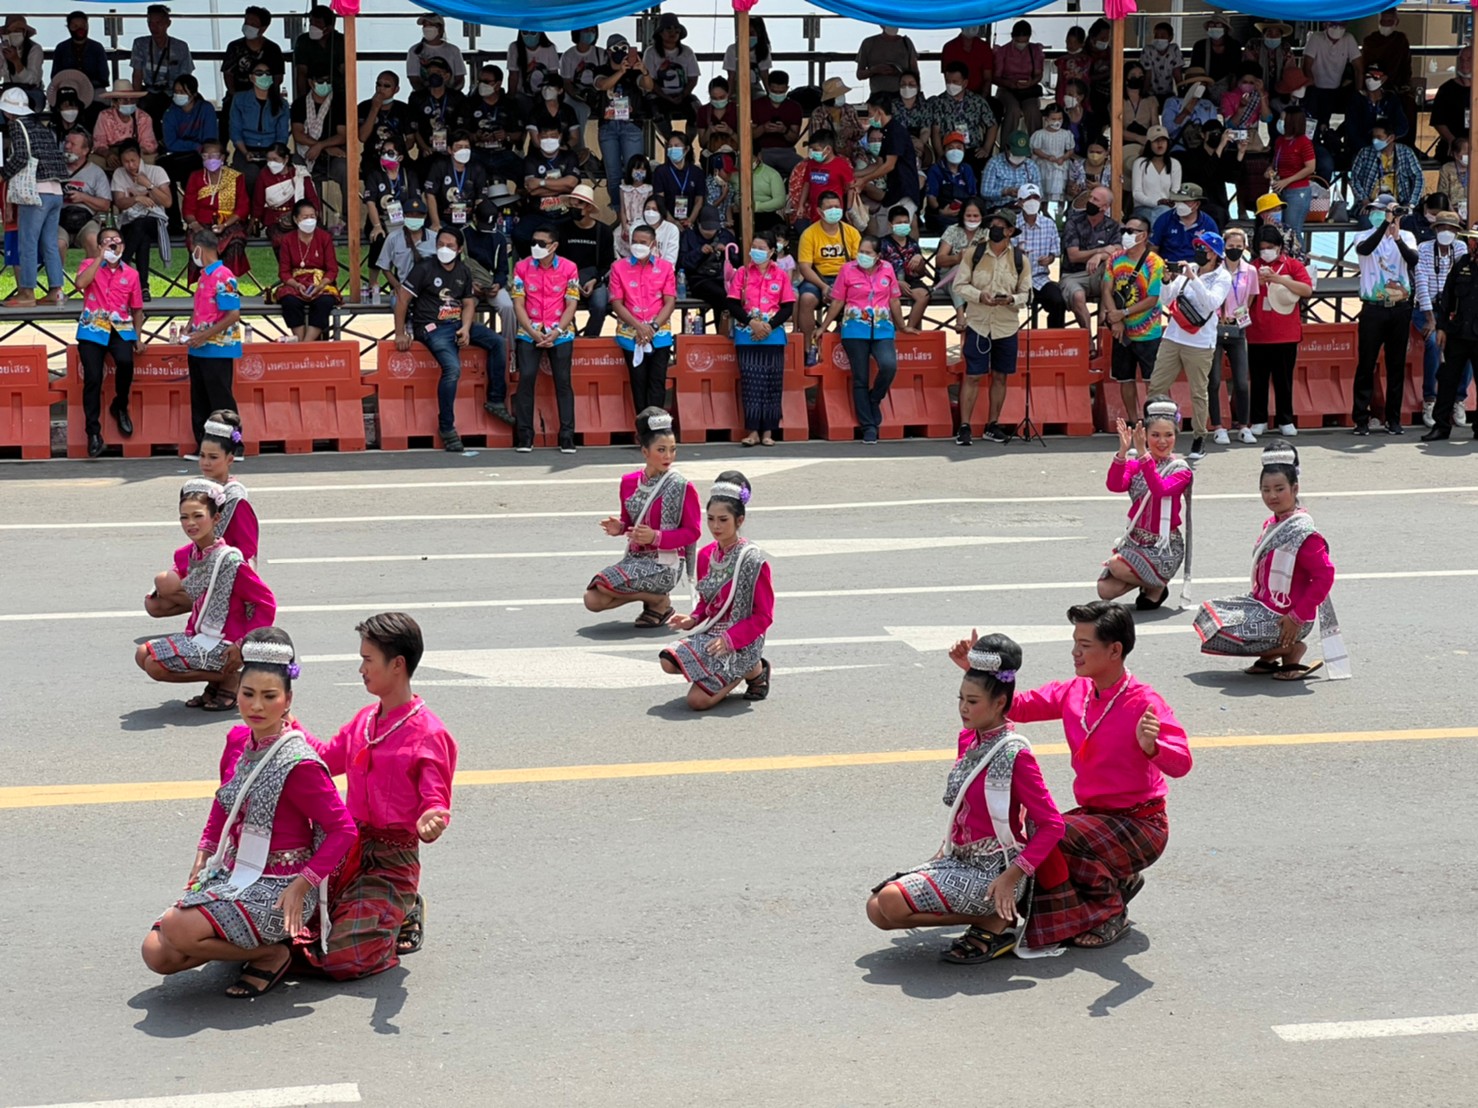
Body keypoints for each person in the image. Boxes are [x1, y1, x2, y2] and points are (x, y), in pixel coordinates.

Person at [947, 602, 1191, 950]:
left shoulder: (1144, 702)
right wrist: (978, 674)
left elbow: (1182, 763)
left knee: (1051, 834)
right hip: (1097, 819)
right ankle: (1117, 878)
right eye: (1075, 642)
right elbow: (1014, 705)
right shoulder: (1075, 692)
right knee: (1042, 831)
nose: (1075, 652)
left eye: (1085, 645)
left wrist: (1153, 748)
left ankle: (1109, 911)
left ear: (1114, 650)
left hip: (1142, 824)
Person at [141, 627, 354, 997]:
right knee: (156, 955)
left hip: (279, 885)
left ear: (288, 700)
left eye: (269, 696)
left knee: (178, 928)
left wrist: (303, 882)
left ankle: (270, 954)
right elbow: (224, 801)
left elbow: (344, 830)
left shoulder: (298, 762)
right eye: (248, 694)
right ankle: (237, 942)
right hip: (232, 871)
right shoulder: (237, 741)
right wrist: (204, 851)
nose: (256, 706)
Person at [868, 631, 1069, 963]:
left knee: (892, 901)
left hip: (996, 872)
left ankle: (994, 918)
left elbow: (1052, 825)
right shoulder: (969, 739)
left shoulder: (1014, 754)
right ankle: (986, 919)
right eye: (960, 699)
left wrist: (1012, 876)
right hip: (960, 859)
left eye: (972, 702)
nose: (963, 708)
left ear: (1000, 703)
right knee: (877, 909)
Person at [296, 613, 457, 979]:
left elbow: (436, 802)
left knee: (342, 957)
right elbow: (323, 758)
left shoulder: (430, 734)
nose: (361, 669)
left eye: (368, 660)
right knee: (289, 924)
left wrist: (433, 819)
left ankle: (404, 907)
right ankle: (381, 915)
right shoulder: (365, 720)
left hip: (391, 861)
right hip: (346, 848)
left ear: (397, 664)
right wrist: (286, 721)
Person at [1196, 443, 1345, 681]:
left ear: (1295, 488)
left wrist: (1297, 616)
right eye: (1265, 489)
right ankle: (1270, 656)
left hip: (1290, 615)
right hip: (1266, 606)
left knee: (1225, 632)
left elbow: (1324, 575)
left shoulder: (1302, 532)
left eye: (1279, 489)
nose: (1272, 496)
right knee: (1208, 616)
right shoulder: (1273, 524)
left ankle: (1291, 649)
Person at [135, 481, 277, 711]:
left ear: (216, 519)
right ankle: (216, 682)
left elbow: (266, 602)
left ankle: (230, 678)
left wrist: (244, 645)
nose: (190, 523)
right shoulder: (190, 554)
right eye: (184, 517)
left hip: (228, 641)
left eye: (198, 516)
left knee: (154, 666)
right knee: (142, 655)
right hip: (202, 635)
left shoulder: (229, 561)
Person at [660, 473, 773, 708]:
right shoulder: (705, 555)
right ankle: (726, 670)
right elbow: (706, 601)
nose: (715, 526)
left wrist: (731, 639)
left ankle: (753, 669)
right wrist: (693, 619)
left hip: (743, 638)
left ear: (739, 520)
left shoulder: (752, 560)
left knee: (697, 701)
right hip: (713, 633)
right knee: (668, 661)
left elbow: (763, 616)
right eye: (710, 519)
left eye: (723, 520)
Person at [582, 408, 701, 625]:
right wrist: (620, 527)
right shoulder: (629, 482)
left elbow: (693, 532)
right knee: (592, 600)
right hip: (635, 559)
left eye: (673, 450)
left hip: (666, 564)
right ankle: (656, 602)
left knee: (603, 584)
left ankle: (658, 601)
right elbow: (630, 522)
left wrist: (656, 537)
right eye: (661, 449)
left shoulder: (681, 486)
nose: (668, 456)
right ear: (645, 452)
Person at [394, 228, 505, 453]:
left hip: (456, 324)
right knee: (452, 368)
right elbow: (402, 300)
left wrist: (465, 328)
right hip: (431, 327)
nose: (444, 249)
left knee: (498, 342)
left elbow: (468, 303)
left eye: (450, 246)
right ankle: (446, 427)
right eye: (441, 245)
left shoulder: (463, 270)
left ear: (460, 249)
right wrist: (400, 332)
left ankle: (496, 400)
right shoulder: (424, 267)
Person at [1148, 229, 1233, 459]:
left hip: (1200, 342)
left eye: (1203, 248)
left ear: (1214, 254)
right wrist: (1167, 281)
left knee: (1198, 392)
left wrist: (1193, 278)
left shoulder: (1222, 277)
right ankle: (1152, 434)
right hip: (1174, 337)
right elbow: (1167, 299)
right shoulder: (1190, 270)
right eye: (1197, 246)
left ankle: (1199, 437)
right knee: (1156, 386)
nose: (1199, 251)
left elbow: (1211, 302)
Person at [1099, 400, 1192, 608]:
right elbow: (1115, 485)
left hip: (1164, 546)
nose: (1162, 441)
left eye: (1168, 435)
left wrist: (1143, 455)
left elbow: (1159, 490)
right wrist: (1122, 452)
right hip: (1136, 540)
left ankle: (1157, 584)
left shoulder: (1180, 470)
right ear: (1145, 436)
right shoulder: (1135, 464)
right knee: (1104, 590)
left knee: (1116, 565)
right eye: (1155, 435)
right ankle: (1151, 585)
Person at [953, 208, 1030, 447]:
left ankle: (992, 424)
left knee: (1000, 376)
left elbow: (1027, 293)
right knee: (973, 375)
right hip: (978, 322)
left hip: (1006, 325)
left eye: (1000, 225)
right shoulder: (973, 254)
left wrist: (1011, 299)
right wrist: (979, 295)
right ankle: (964, 426)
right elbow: (959, 285)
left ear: (1009, 231)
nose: (994, 229)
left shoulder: (1020, 259)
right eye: (992, 225)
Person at [823, 234, 908, 444]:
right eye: (861, 251)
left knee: (889, 366)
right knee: (860, 378)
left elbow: (895, 301)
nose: (863, 256)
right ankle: (868, 426)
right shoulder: (847, 270)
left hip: (882, 328)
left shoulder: (887, 269)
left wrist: (902, 326)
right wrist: (823, 326)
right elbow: (837, 301)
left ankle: (874, 398)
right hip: (854, 330)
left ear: (878, 256)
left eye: (868, 253)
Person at [75, 228, 145, 457]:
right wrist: (99, 257)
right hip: (93, 327)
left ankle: (120, 405)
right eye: (107, 242)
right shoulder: (88, 264)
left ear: (123, 246)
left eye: (116, 242)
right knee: (93, 377)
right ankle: (93, 432)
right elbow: (80, 284)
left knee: (125, 362)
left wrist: (138, 337)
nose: (112, 245)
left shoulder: (131, 274)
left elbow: (137, 310)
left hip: (120, 328)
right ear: (99, 245)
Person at [1352, 196, 1418, 435]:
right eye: (1377, 211)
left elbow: (1413, 260)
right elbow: (1365, 249)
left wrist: (1397, 234)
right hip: (1373, 307)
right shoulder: (1364, 235)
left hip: (1399, 308)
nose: (1380, 214)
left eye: (1385, 211)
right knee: (1366, 364)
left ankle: (1394, 418)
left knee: (1396, 365)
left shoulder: (1408, 236)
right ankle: (1361, 418)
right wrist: (1384, 225)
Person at [511, 225, 579, 453]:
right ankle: (524, 435)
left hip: (559, 331)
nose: (536, 247)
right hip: (529, 331)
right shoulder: (521, 267)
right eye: (533, 242)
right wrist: (531, 331)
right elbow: (518, 303)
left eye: (541, 243)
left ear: (554, 246)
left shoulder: (570, 268)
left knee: (563, 381)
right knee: (526, 378)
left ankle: (567, 436)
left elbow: (572, 304)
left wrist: (558, 331)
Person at [727, 230, 795, 448]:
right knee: (751, 384)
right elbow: (733, 304)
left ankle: (768, 431)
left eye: (762, 248)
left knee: (772, 384)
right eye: (754, 247)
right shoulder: (742, 273)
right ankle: (753, 431)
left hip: (773, 337)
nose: (756, 252)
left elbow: (787, 307)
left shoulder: (781, 275)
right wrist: (752, 323)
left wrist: (768, 327)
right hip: (747, 336)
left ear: (772, 252)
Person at [1244, 224, 1312, 439]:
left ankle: (1285, 419)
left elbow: (1307, 290)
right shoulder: (1251, 269)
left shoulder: (1292, 265)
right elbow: (1243, 303)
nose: (1266, 251)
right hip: (1257, 334)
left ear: (1280, 247)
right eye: (1262, 248)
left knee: (1284, 380)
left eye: (1270, 247)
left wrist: (1278, 279)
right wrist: (1257, 283)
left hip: (1286, 334)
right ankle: (1259, 419)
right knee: (1258, 379)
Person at [1101, 214, 1166, 416]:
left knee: (1151, 382)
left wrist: (1123, 313)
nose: (1125, 235)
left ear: (1143, 235)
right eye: (1123, 231)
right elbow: (1106, 289)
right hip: (1122, 332)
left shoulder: (1155, 263)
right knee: (1125, 379)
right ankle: (1132, 420)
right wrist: (1115, 317)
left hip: (1148, 332)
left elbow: (1153, 298)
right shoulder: (1115, 259)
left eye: (1130, 231)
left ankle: (1152, 420)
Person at [183, 231, 243, 450]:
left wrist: (204, 335)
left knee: (220, 400)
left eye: (193, 250)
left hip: (218, 348)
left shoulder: (224, 276)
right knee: (200, 400)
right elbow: (200, 307)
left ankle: (233, 444)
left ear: (200, 249)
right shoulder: (204, 276)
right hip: (198, 347)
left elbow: (233, 315)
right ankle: (205, 445)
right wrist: (190, 327)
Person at [608, 225, 677, 414]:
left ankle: (657, 425)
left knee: (657, 381)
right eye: (635, 242)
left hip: (659, 333)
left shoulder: (665, 268)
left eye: (643, 242)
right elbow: (616, 303)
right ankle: (643, 428)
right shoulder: (618, 267)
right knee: (638, 382)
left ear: (653, 244)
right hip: (631, 334)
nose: (638, 246)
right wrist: (639, 327)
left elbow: (669, 302)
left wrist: (652, 327)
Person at [1413, 211, 1470, 430]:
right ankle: (1430, 399)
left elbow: (1460, 285)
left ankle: (1459, 400)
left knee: (1466, 344)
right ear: (1435, 230)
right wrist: (1431, 319)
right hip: (1428, 310)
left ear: (1457, 232)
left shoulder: (1461, 249)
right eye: (1441, 228)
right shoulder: (1424, 249)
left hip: (1452, 310)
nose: (1445, 232)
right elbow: (1422, 284)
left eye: (1450, 229)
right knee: (1433, 342)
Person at [1424, 227, 1478, 442]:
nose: (1472, 244)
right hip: (1457, 334)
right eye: (1471, 241)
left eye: (1475, 241)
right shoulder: (1462, 264)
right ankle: (1441, 425)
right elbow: (1446, 298)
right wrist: (1442, 327)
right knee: (1446, 380)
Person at [796, 191, 862, 365]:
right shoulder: (809, 234)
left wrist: (841, 286)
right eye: (829, 207)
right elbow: (804, 267)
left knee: (858, 298)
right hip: (818, 278)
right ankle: (809, 347)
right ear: (819, 210)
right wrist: (824, 287)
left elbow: (860, 264)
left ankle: (842, 340)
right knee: (806, 298)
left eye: (837, 207)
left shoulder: (852, 233)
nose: (834, 210)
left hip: (846, 278)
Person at [1208, 227, 1259, 446]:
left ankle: (1244, 426)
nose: (1235, 251)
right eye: (1230, 247)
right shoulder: (1215, 270)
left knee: (1241, 380)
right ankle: (1218, 426)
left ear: (1245, 248)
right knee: (1215, 379)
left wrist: (1239, 315)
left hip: (1238, 328)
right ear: (1223, 247)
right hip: (1216, 327)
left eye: (1239, 247)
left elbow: (1251, 298)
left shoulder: (1250, 271)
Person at [109, 139, 170, 305]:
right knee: (141, 237)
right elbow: (119, 202)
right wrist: (137, 199)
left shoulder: (156, 171)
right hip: (130, 222)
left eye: (133, 160)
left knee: (141, 226)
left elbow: (167, 202)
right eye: (125, 161)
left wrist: (149, 185)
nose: (130, 165)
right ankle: (143, 287)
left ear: (140, 157)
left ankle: (120, 264)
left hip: (154, 221)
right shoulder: (119, 174)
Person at [593, 35, 653, 204]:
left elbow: (648, 86)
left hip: (631, 126)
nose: (620, 52)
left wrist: (644, 70)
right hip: (608, 126)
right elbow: (602, 85)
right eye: (616, 49)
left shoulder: (634, 73)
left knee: (635, 172)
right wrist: (621, 71)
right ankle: (620, 215)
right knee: (613, 176)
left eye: (624, 49)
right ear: (607, 52)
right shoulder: (600, 70)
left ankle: (637, 211)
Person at [271, 199, 338, 343]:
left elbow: (332, 269)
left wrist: (320, 286)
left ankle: (305, 343)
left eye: (312, 216)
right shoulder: (288, 240)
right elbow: (284, 271)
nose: (310, 220)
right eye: (305, 217)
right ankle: (300, 340)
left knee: (325, 302)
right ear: (296, 219)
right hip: (297, 282)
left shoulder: (324, 238)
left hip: (319, 283)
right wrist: (296, 285)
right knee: (289, 301)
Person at [183, 141, 250, 284]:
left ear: (223, 158)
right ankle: (205, 283)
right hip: (201, 224)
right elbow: (188, 209)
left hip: (229, 223)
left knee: (235, 241)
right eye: (205, 156)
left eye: (214, 156)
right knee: (200, 242)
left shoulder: (236, 177)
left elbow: (242, 207)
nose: (209, 160)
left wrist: (225, 225)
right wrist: (197, 227)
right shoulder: (196, 177)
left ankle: (228, 283)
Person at [291, 69, 348, 231]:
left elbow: (343, 136)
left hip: (330, 157)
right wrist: (323, 148)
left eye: (328, 81)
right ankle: (311, 221)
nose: (324, 85)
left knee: (345, 169)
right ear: (311, 82)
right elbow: (298, 134)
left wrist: (321, 146)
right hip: (307, 154)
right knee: (298, 169)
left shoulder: (338, 103)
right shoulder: (300, 104)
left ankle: (348, 219)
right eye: (320, 81)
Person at [558, 183, 615, 336]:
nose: (575, 207)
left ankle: (590, 338)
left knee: (600, 304)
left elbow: (607, 264)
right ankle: (571, 336)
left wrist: (595, 280)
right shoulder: (562, 229)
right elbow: (557, 261)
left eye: (580, 203)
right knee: (561, 303)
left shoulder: (603, 232)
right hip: (566, 280)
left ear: (589, 207)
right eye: (573, 203)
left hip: (593, 279)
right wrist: (571, 283)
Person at [1061, 185, 1120, 331]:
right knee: (1078, 296)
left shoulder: (1112, 226)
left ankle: (1102, 324)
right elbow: (1073, 255)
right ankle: (1088, 341)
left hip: (1098, 274)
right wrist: (1100, 250)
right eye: (1090, 198)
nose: (1090, 201)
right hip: (1073, 275)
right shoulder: (1073, 222)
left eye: (1095, 199)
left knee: (1110, 266)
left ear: (1104, 207)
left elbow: (1117, 251)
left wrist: (1099, 256)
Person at [130, 5, 193, 137]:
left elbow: (186, 77)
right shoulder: (140, 44)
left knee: (194, 109)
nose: (154, 27)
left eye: (158, 23)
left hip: (173, 92)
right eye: (150, 23)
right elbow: (137, 74)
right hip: (149, 92)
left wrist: (182, 96)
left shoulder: (180, 46)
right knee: (146, 112)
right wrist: (135, 99)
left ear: (168, 23)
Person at [229, 61, 290, 195]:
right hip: (245, 151)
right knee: (251, 175)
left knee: (277, 176)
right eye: (259, 73)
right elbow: (235, 132)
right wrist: (245, 152)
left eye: (267, 73)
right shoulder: (239, 99)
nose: (264, 76)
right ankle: (251, 213)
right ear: (251, 77)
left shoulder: (282, 104)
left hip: (272, 151)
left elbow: (282, 135)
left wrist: (274, 155)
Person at [159, 75, 217, 216]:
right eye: (176, 91)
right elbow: (170, 143)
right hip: (178, 157)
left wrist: (198, 148)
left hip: (201, 157)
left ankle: (203, 217)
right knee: (163, 174)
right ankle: (173, 223)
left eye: (182, 92)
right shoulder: (170, 113)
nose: (178, 95)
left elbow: (210, 139)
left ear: (193, 93)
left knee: (194, 177)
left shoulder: (206, 109)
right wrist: (194, 145)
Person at [519, 123, 579, 250]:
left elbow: (572, 184)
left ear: (560, 136)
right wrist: (563, 186)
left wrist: (541, 183)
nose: (549, 140)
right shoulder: (531, 159)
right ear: (539, 137)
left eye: (553, 136)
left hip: (565, 213)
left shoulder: (569, 156)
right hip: (538, 213)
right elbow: (532, 190)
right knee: (519, 234)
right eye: (545, 137)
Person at [362, 136, 420, 263]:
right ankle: (373, 282)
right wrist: (377, 226)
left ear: (400, 157)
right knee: (379, 239)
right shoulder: (375, 175)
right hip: (381, 220)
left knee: (410, 241)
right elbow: (370, 202)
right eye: (383, 152)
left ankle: (401, 279)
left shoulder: (409, 175)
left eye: (390, 153)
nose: (385, 155)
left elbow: (415, 202)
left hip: (404, 221)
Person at [253, 141, 319, 250]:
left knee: (311, 239)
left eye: (275, 160)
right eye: (268, 160)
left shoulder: (300, 174)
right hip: (275, 220)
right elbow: (258, 203)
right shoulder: (264, 175)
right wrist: (254, 222)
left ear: (286, 159)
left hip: (300, 218)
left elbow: (312, 200)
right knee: (282, 241)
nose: (271, 163)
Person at [1015, 184, 1065, 328]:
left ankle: (1055, 341)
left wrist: (1048, 259)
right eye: (1028, 198)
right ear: (1019, 202)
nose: (1032, 201)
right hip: (1013, 279)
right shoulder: (1012, 223)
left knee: (1058, 301)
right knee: (1001, 303)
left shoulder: (1049, 224)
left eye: (1035, 197)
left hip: (1039, 278)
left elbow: (1053, 253)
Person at [58, 128, 112, 260]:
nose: (67, 147)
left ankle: (90, 279)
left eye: (73, 144)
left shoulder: (96, 173)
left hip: (87, 220)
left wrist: (83, 197)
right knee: (57, 245)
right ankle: (57, 280)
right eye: (66, 142)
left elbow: (105, 205)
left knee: (93, 240)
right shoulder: (55, 169)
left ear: (85, 151)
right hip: (59, 218)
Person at [935, 198, 987, 333]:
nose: (972, 219)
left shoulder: (986, 233)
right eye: (968, 215)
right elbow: (939, 260)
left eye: (976, 216)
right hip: (950, 278)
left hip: (977, 280)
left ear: (982, 216)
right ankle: (960, 315)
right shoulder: (953, 230)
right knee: (959, 271)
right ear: (962, 215)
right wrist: (957, 258)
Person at [643, 14, 700, 136]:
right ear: (660, 32)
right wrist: (665, 96)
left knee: (698, 111)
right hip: (658, 95)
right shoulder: (651, 52)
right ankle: (671, 141)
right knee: (656, 113)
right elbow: (650, 81)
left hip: (683, 94)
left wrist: (683, 95)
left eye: (676, 30)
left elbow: (693, 79)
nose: (673, 32)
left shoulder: (687, 52)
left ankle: (687, 144)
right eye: (668, 28)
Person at [785, 129, 854, 228]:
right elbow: (807, 183)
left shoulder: (842, 165)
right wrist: (801, 205)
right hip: (815, 212)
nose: (813, 153)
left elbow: (850, 187)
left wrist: (849, 209)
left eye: (816, 149)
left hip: (833, 212)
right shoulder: (811, 164)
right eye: (811, 149)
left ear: (828, 149)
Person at [221, 8, 286, 113]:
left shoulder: (273, 49)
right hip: (237, 96)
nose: (248, 26)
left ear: (263, 28)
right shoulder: (234, 47)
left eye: (253, 23)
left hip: (266, 98)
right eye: (246, 22)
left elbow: (278, 78)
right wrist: (236, 97)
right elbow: (228, 74)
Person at [878, 205, 930, 331]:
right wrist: (895, 282)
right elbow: (877, 269)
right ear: (891, 224)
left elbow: (921, 272)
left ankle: (909, 328)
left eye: (906, 222)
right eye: (899, 223)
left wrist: (920, 260)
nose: (903, 225)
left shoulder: (913, 244)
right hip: (888, 282)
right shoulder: (883, 244)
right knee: (890, 300)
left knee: (924, 295)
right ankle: (896, 329)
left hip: (911, 281)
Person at [407, 56, 469, 161]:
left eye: (438, 72)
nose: (433, 75)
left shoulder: (457, 97)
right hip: (426, 150)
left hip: (451, 151)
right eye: (430, 72)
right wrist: (425, 148)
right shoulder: (417, 97)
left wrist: (452, 148)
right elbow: (414, 128)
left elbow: (462, 127)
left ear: (446, 76)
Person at [378, 194, 435, 304]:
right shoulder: (393, 238)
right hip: (405, 288)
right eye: (411, 215)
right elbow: (384, 266)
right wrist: (397, 286)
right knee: (397, 303)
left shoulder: (435, 238)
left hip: (430, 289)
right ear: (404, 216)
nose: (415, 218)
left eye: (418, 216)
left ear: (425, 216)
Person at [1301, 22, 1360, 125]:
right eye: (1333, 24)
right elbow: (1306, 65)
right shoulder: (1316, 38)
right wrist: (1312, 89)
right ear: (1325, 25)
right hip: (1315, 88)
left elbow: (1359, 68)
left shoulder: (1348, 39)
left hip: (1336, 90)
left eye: (1341, 24)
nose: (1337, 28)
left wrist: (1359, 94)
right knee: (1312, 121)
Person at [360, 70, 416, 178]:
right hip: (373, 157)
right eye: (378, 84)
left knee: (412, 172)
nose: (381, 89)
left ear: (396, 89)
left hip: (398, 156)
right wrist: (374, 108)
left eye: (387, 86)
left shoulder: (404, 109)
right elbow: (362, 137)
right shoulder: (364, 107)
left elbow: (410, 139)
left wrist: (394, 153)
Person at [995, 20, 1046, 137]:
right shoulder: (1003, 51)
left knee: (1033, 111)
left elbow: (1039, 74)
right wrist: (1010, 84)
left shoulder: (1035, 50)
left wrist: (1031, 82)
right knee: (1013, 110)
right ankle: (1006, 149)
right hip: (1007, 89)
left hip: (1028, 90)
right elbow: (996, 77)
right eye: (1018, 41)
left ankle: (1036, 147)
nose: (1021, 45)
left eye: (1025, 41)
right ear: (1012, 37)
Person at [93, 79, 157, 170]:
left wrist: (132, 156)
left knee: (152, 160)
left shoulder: (144, 117)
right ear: (114, 103)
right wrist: (108, 155)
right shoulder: (104, 116)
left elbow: (149, 145)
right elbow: (99, 143)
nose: (129, 103)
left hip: (136, 153)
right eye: (124, 100)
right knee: (93, 161)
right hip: (113, 154)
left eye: (132, 100)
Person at [1150, 182, 1218, 268]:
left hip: (1197, 270)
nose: (1180, 204)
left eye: (1185, 201)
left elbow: (1215, 253)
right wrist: (1161, 268)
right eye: (1178, 200)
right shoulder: (1164, 220)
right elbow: (1153, 249)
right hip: (1168, 269)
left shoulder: (1209, 224)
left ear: (1197, 204)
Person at [752, 69, 803, 176]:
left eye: (781, 92)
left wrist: (784, 130)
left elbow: (794, 138)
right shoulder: (756, 105)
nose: (778, 94)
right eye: (774, 91)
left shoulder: (794, 108)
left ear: (787, 89)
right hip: (763, 151)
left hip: (787, 152)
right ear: (769, 87)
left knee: (804, 168)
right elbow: (750, 135)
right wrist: (763, 128)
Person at [924, 131, 976, 233]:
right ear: (944, 151)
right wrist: (941, 211)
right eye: (950, 148)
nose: (955, 151)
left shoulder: (967, 169)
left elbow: (973, 195)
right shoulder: (935, 170)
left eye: (959, 148)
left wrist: (966, 211)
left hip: (964, 214)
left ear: (964, 151)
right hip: (940, 215)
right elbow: (931, 197)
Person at [654, 131, 705, 231]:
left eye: (676, 146)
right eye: (670, 146)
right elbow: (659, 200)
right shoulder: (661, 171)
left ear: (686, 149)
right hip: (666, 222)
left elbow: (699, 200)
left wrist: (690, 220)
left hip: (690, 223)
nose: (672, 149)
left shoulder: (696, 172)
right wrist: (672, 222)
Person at [292, 6, 345, 102]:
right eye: (311, 22)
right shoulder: (303, 41)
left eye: (318, 23)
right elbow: (301, 73)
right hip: (311, 92)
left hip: (337, 92)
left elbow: (345, 71)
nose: (313, 26)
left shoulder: (340, 41)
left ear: (329, 27)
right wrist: (302, 100)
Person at [979, 131, 1041, 212]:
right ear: (1007, 148)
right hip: (998, 209)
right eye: (1016, 154)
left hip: (1023, 209)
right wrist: (1005, 192)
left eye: (1021, 154)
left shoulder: (1031, 166)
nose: (1019, 157)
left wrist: (1027, 196)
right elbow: (985, 192)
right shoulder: (994, 163)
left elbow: (1039, 193)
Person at [1430, 47, 1472, 165]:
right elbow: (1438, 121)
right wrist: (1452, 141)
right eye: (1461, 60)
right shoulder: (1446, 89)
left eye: (1469, 59)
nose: (1464, 63)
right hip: (1452, 146)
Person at [1131, 126, 1179, 227]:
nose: (1160, 144)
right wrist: (1156, 202)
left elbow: (1175, 191)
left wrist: (1168, 202)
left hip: (1167, 208)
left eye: (1163, 140)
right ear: (1149, 143)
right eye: (1155, 141)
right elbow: (1136, 193)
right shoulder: (1139, 163)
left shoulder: (1174, 164)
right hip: (1143, 208)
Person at [52, 11, 109, 95]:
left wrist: (87, 85)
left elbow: (104, 76)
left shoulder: (97, 47)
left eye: (83, 25)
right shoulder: (61, 48)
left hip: (94, 89)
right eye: (75, 26)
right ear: (68, 28)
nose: (80, 29)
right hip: (68, 90)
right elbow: (55, 76)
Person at [810, 76, 866, 162]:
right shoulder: (818, 114)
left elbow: (861, 132)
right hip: (828, 155)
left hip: (854, 153)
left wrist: (852, 131)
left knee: (862, 166)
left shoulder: (849, 109)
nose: (843, 97)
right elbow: (818, 141)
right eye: (839, 95)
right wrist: (837, 150)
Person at [855, 25, 918, 98]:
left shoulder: (906, 43)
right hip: (878, 98)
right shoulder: (868, 43)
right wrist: (874, 70)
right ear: (881, 25)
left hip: (903, 97)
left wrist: (898, 72)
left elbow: (915, 73)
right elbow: (859, 74)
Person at [407, 13, 464, 94]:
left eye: (431, 25)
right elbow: (414, 79)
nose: (427, 28)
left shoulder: (453, 50)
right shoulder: (414, 51)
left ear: (440, 28)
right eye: (425, 25)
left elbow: (460, 78)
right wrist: (427, 96)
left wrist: (450, 95)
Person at [1030, 102, 1075, 203]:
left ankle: (1059, 212)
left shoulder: (1066, 134)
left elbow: (1071, 150)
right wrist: (1047, 157)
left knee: (1059, 191)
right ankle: (1044, 210)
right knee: (1043, 191)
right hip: (1045, 166)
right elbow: (1036, 149)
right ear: (1046, 119)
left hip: (1060, 166)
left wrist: (1063, 158)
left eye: (1059, 119)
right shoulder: (1040, 134)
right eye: (1053, 119)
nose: (1057, 122)